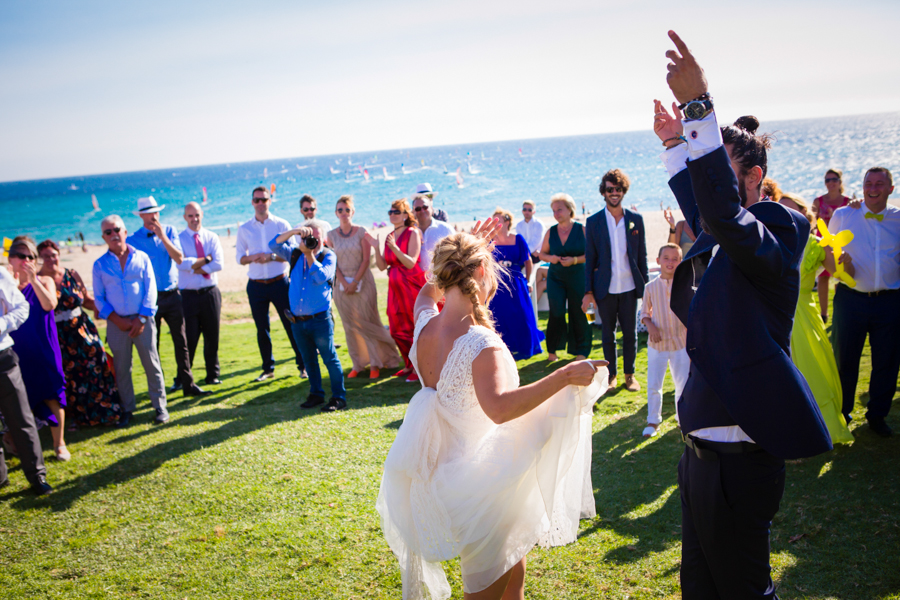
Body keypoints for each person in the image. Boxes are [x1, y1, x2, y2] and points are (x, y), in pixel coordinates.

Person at [656, 31, 832, 600]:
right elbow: (707, 207)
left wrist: (700, 109)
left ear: (754, 178)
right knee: (702, 590)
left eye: (720, 165)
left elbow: (722, 215)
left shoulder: (781, 225)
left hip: (741, 459)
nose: (714, 191)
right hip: (698, 457)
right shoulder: (723, 230)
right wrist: (676, 146)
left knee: (745, 591)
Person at [376, 222, 609, 600]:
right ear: (482, 272)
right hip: (478, 482)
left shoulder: (424, 327)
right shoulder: (481, 344)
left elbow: (425, 292)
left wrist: (465, 250)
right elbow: (500, 410)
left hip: (443, 472)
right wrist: (564, 375)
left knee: (514, 572)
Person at [828, 167, 900, 437]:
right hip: (851, 300)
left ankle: (878, 416)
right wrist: (839, 264)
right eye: (868, 183)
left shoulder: (898, 219)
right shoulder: (844, 214)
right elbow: (828, 254)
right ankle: (843, 414)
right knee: (845, 360)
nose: (873, 188)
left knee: (887, 361)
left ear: (890, 189)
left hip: (890, 301)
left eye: (879, 184)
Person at [777, 194, 854, 444]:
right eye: (781, 211)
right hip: (774, 315)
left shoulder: (817, 245)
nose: (786, 217)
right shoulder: (769, 241)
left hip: (804, 318)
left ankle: (819, 429)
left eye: (792, 211)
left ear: (805, 215)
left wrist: (844, 262)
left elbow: (841, 274)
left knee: (811, 371)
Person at [126, 196, 207, 397]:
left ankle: (188, 385)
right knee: (153, 345)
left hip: (173, 295)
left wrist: (163, 237)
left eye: (156, 211)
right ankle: (159, 389)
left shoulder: (169, 231)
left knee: (182, 342)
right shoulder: (132, 241)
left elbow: (179, 258)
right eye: (149, 212)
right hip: (148, 300)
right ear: (141, 215)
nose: (154, 216)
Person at [93, 215, 169, 426]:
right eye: (108, 232)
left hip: (143, 322)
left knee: (152, 364)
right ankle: (127, 409)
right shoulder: (99, 265)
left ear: (125, 232)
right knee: (122, 368)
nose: (113, 234)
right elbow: (99, 299)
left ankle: (160, 407)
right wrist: (117, 320)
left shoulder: (142, 258)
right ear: (103, 237)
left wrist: (142, 318)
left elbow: (151, 289)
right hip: (117, 326)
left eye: (116, 229)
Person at [37, 240, 122, 427]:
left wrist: (110, 309)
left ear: (59, 254)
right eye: (46, 256)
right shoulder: (38, 280)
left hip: (82, 329)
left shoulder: (71, 274)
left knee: (97, 366)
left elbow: (87, 300)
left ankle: (105, 412)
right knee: (69, 376)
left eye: (53, 255)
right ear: (40, 258)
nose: (51, 259)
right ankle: (77, 418)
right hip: (57, 335)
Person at [270, 219, 347, 412]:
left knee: (329, 358)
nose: (314, 240)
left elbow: (322, 277)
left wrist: (310, 255)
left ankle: (338, 397)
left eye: (317, 237)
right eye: (309, 237)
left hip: (320, 320)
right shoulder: (295, 255)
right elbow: (273, 244)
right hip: (297, 321)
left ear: (324, 238)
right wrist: (294, 231)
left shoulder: (328, 255)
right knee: (308, 359)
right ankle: (316, 394)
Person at [582, 170, 648, 391]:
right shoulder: (593, 222)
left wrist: (646, 289)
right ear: (604, 192)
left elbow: (642, 256)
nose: (614, 193)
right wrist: (588, 291)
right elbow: (590, 259)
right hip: (605, 288)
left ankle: (630, 375)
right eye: (610, 189)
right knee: (607, 334)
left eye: (618, 189)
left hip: (630, 287)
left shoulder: (635, 220)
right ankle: (611, 376)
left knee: (630, 334)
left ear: (623, 191)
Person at [6, 237, 69, 460]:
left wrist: (33, 280)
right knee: (19, 399)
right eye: (20, 256)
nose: (26, 260)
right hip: (17, 350)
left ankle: (59, 443)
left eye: (30, 256)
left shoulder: (44, 280)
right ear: (10, 258)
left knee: (53, 393)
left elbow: (50, 304)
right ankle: (18, 444)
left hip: (44, 346)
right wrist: (12, 285)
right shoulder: (5, 285)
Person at [236, 186, 306, 382]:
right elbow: (240, 259)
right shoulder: (244, 229)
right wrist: (253, 258)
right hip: (256, 285)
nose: (260, 203)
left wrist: (272, 256)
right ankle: (268, 368)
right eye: (257, 200)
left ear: (270, 201)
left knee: (291, 324)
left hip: (279, 282)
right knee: (262, 328)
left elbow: (293, 255)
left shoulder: (281, 224)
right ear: (252, 202)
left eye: (264, 200)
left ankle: (303, 366)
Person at [326, 195, 400, 379]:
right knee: (350, 325)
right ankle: (358, 364)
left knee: (368, 322)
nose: (344, 213)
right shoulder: (331, 235)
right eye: (340, 210)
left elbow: (367, 259)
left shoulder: (361, 231)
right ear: (336, 213)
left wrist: (355, 282)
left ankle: (376, 363)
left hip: (363, 282)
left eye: (347, 210)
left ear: (353, 212)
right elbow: (332, 261)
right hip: (341, 286)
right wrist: (344, 282)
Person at [0, 265, 53, 495]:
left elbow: (22, 307)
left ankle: (37, 476)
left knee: (21, 418)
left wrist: (1, 324)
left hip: (2, 358)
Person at [364, 199, 426, 382]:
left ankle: (420, 367)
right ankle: (408, 364)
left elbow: (411, 262)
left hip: (411, 285)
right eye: (390, 212)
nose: (392, 215)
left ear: (406, 215)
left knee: (414, 326)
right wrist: (376, 247)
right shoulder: (390, 235)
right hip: (395, 286)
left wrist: (395, 248)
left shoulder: (412, 232)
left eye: (396, 212)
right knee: (396, 327)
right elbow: (383, 266)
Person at [640, 243, 689, 438]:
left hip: (681, 344)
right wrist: (650, 325)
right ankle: (653, 420)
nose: (671, 262)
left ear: (681, 262)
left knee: (683, 384)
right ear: (658, 261)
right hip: (657, 345)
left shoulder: (685, 286)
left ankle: (683, 420)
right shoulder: (650, 287)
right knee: (654, 383)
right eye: (666, 258)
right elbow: (644, 313)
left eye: (675, 258)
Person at [538, 193, 591, 362]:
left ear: (570, 209)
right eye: (554, 211)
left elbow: (592, 255)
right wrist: (551, 259)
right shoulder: (551, 232)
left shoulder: (582, 230)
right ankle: (552, 351)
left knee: (579, 312)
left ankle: (581, 351)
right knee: (557, 312)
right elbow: (542, 254)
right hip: (556, 277)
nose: (556, 214)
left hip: (578, 276)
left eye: (559, 209)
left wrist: (575, 260)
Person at [177, 202, 224, 386]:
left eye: (197, 215)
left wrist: (194, 267)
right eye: (190, 216)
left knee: (212, 336)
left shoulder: (211, 237)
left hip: (210, 292)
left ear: (202, 214)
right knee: (189, 338)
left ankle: (212, 374)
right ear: (185, 217)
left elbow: (219, 264)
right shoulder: (179, 239)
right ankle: (182, 378)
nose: (194, 219)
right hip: (188, 295)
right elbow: (181, 264)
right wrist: (205, 260)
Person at [490, 208, 545, 360]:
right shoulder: (489, 241)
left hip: (515, 281)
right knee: (499, 315)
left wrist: (528, 280)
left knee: (521, 314)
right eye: (493, 220)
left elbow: (528, 262)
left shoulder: (518, 239)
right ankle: (502, 348)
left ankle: (525, 346)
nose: (495, 224)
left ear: (507, 222)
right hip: (497, 283)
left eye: (498, 220)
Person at [813, 169, 852, 323]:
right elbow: (812, 223)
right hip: (823, 245)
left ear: (840, 182)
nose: (831, 182)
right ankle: (824, 314)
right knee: (823, 279)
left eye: (834, 179)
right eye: (828, 180)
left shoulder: (848, 201)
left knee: (839, 277)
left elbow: (851, 225)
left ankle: (838, 312)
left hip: (841, 244)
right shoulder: (818, 201)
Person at [412, 194, 454, 273]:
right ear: (413, 212)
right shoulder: (410, 231)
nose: (422, 211)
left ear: (431, 208)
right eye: (418, 209)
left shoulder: (445, 229)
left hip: (441, 280)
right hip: (416, 282)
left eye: (425, 207)